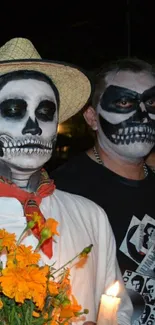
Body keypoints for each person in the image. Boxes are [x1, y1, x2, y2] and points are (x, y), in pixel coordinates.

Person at [0, 38, 132, 325]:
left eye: (46, 113)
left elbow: (118, 307)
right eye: (13, 110)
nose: (34, 127)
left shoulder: (90, 216)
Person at [51, 58, 155, 324]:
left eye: (152, 103)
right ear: (92, 117)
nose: (143, 115)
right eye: (124, 103)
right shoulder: (63, 193)